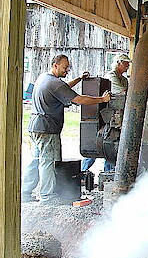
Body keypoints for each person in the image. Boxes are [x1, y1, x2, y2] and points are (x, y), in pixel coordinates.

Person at [22, 54, 111, 204]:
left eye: (68, 67)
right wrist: (102, 100)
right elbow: (79, 99)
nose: (67, 70)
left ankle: (25, 192)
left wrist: (78, 79)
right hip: (47, 129)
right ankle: (47, 197)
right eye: (65, 67)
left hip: (35, 127)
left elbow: (63, 89)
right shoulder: (55, 84)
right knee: (48, 162)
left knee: (36, 160)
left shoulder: (44, 78)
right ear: (55, 65)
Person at [82, 53, 131, 173]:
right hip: (107, 114)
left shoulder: (124, 79)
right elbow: (123, 92)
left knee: (111, 145)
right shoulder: (111, 76)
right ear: (118, 63)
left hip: (118, 114)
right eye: (126, 63)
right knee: (97, 145)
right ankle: (83, 171)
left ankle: (108, 173)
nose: (128, 66)